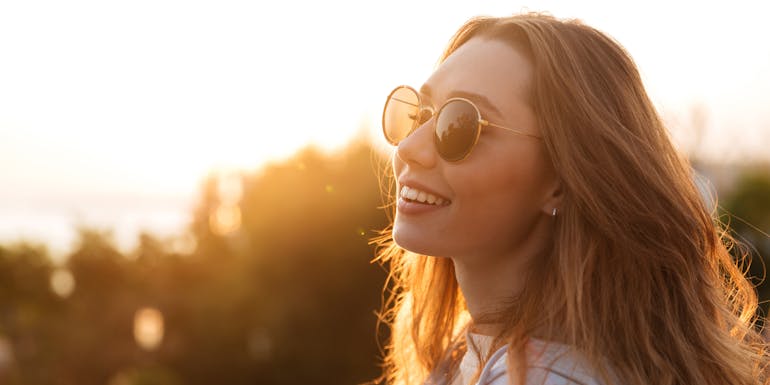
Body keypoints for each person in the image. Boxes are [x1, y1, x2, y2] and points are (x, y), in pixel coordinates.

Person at [373, 12, 770, 385]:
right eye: (420, 113)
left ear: (561, 180)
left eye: (459, 124)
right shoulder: (481, 355)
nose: (409, 147)